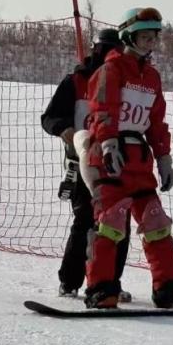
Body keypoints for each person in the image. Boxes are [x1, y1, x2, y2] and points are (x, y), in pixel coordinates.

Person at [72, 6, 173, 309]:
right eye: (144, 37)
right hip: (110, 157)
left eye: (154, 37)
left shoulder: (152, 77)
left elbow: (156, 121)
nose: (150, 43)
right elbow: (102, 109)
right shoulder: (111, 70)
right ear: (129, 37)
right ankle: (100, 288)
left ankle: (168, 288)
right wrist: (108, 144)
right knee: (110, 223)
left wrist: (164, 157)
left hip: (139, 161)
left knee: (157, 223)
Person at [40, 28, 132, 299]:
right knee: (85, 220)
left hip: (117, 162)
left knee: (119, 224)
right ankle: (70, 281)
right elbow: (49, 117)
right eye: (105, 50)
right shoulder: (75, 81)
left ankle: (110, 283)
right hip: (82, 161)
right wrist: (64, 129)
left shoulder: (126, 80)